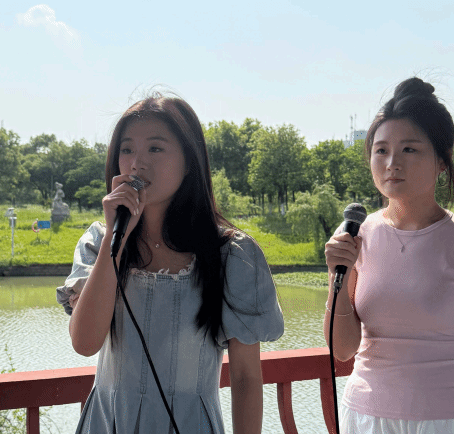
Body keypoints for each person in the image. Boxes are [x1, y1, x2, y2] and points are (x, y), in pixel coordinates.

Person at [56, 94, 284, 433]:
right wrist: (115, 242)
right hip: (108, 422)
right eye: (127, 149)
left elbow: (246, 376)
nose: (137, 163)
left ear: (189, 161)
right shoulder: (98, 242)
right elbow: (85, 343)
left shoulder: (232, 255)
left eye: (155, 148)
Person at [323, 77, 454, 434]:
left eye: (409, 150)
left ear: (442, 160)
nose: (391, 163)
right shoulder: (356, 235)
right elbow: (343, 348)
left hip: (451, 421)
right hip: (365, 418)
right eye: (381, 150)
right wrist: (338, 273)